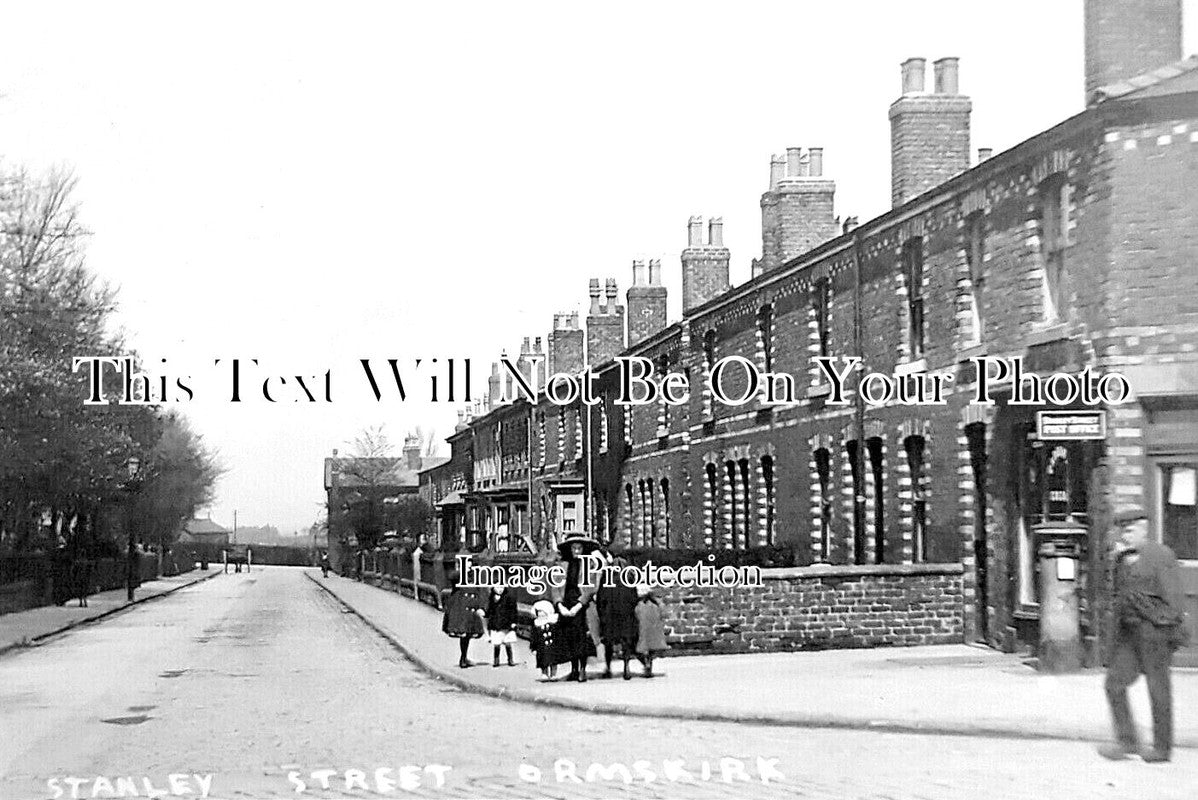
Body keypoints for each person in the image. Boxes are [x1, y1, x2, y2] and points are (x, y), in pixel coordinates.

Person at [1099, 509, 1188, 763]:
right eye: (1122, 531)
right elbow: (1118, 598)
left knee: (1158, 689)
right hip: (1129, 635)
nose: (1125, 536)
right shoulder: (1121, 559)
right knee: (1114, 684)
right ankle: (1127, 741)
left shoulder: (1160, 555)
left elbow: (1174, 600)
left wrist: (1165, 628)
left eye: (1129, 531)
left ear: (1143, 529)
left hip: (1154, 633)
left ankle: (1162, 748)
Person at [596, 557, 639, 679]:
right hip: (625, 613)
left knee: (608, 642)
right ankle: (626, 667)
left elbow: (600, 598)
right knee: (626, 641)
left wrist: (601, 614)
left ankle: (608, 668)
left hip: (609, 613)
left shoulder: (606, 577)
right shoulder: (628, 577)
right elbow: (634, 597)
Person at [441, 573, 486, 668]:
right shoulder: (459, 577)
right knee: (464, 633)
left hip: (472, 607)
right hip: (460, 607)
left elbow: (479, 592)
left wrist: (480, 606)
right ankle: (463, 658)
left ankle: (464, 657)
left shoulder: (475, 576)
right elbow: (451, 577)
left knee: (469, 634)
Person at [634, 583, 668, 678]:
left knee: (642, 649)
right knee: (651, 650)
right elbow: (663, 614)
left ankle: (646, 664)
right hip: (654, 632)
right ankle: (649, 664)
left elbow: (636, 616)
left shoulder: (639, 606)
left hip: (643, 631)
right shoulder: (656, 605)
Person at [530, 599, 568, 680]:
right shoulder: (536, 624)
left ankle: (553, 674)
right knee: (543, 661)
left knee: (553, 661)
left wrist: (560, 644)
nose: (540, 614)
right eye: (538, 612)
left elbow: (558, 634)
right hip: (541, 647)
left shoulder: (553, 622)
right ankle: (544, 673)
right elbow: (534, 637)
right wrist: (533, 648)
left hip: (552, 646)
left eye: (542, 611)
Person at [486, 583, 519, 667]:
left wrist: (513, 622)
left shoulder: (509, 598)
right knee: (497, 643)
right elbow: (490, 611)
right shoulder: (491, 598)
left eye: (502, 587)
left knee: (507, 642)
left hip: (507, 624)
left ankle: (510, 659)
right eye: (497, 587)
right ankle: (496, 659)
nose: (500, 589)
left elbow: (513, 611)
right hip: (496, 624)